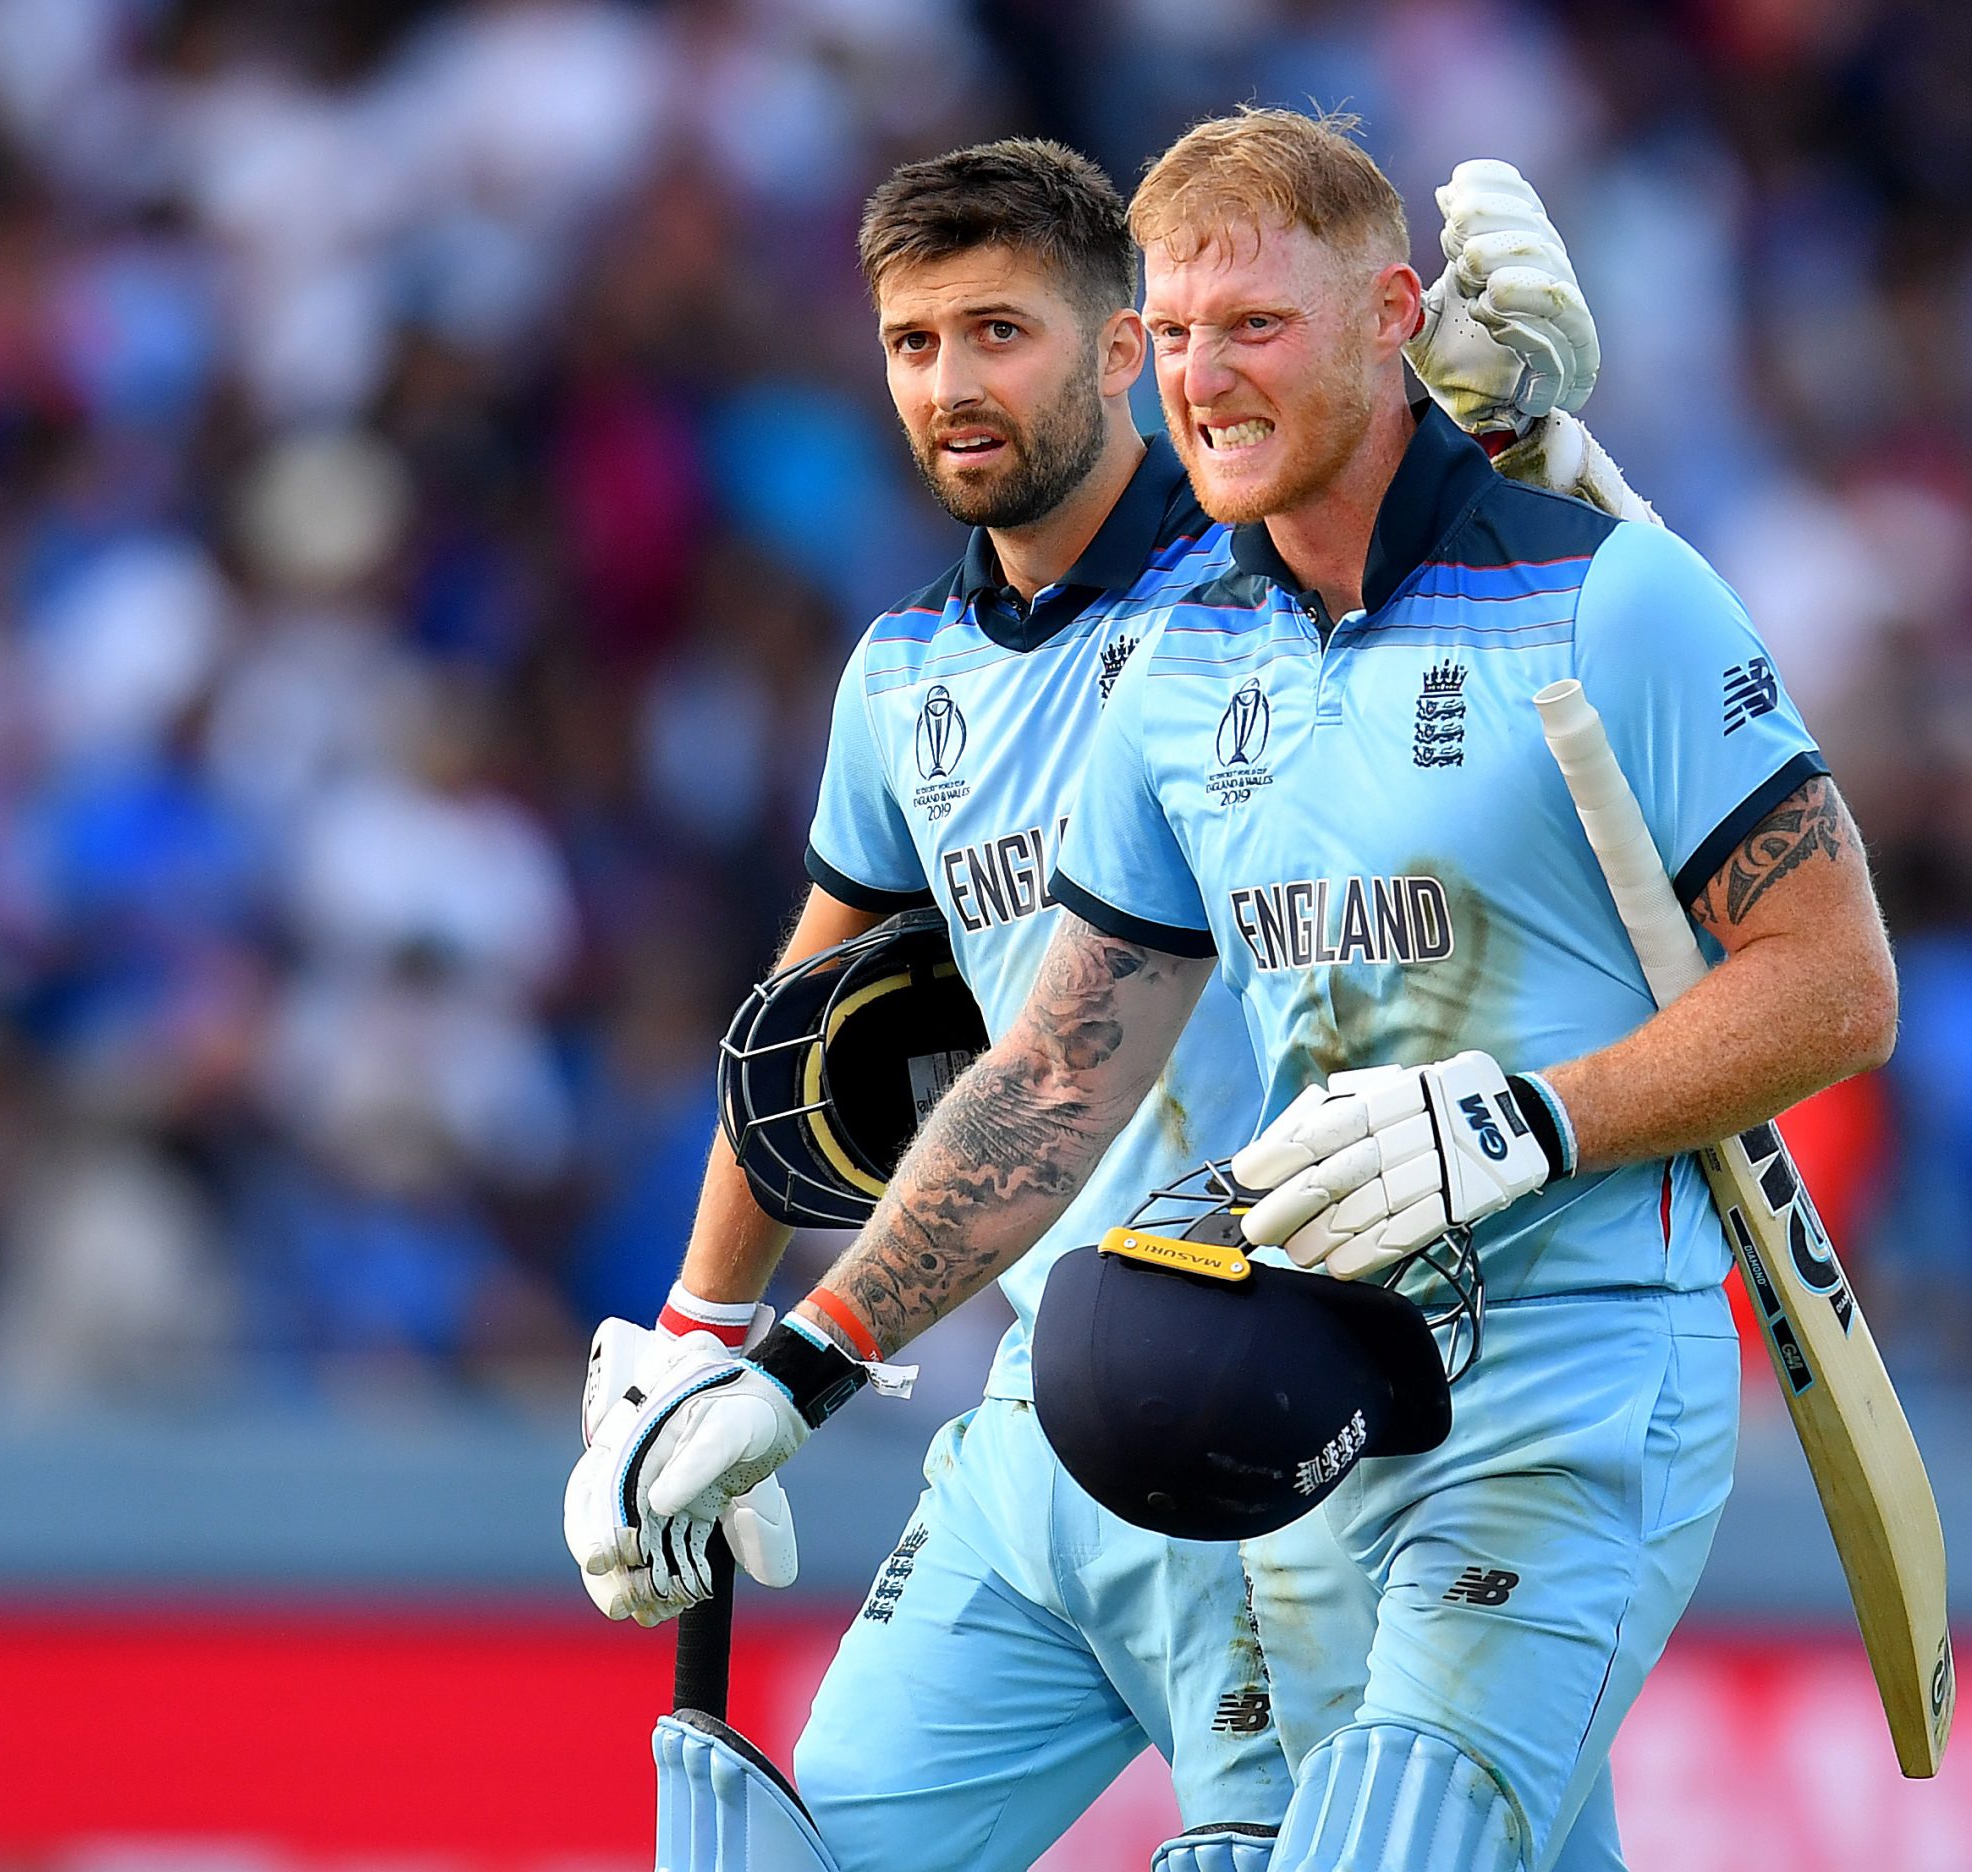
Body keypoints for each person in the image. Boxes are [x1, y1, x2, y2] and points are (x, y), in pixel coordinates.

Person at [565, 135, 1629, 1872]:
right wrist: (695, 1334)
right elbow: (798, 1031)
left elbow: (1495, 627)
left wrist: (1500, 438)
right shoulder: (898, 673)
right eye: (916, 346)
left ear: (1129, 349)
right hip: (1036, 1421)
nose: (953, 388)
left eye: (1002, 334)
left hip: (1279, 1411)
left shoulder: (1261, 592)